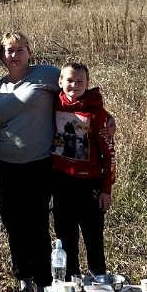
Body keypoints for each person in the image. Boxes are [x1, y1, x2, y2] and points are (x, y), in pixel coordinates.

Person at [0, 32, 61, 292]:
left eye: (20, 49)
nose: (15, 55)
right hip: (5, 164)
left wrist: (103, 117)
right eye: (9, 50)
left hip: (39, 164)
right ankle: (24, 283)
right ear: (2, 56)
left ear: (29, 52)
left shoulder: (46, 74)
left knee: (37, 224)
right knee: (13, 224)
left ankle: (44, 285)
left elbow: (77, 92)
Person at [50, 62, 116, 278]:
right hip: (61, 182)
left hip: (90, 185)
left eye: (80, 82)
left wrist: (106, 189)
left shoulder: (97, 114)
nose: (74, 86)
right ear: (60, 82)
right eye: (69, 81)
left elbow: (109, 155)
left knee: (93, 237)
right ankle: (71, 283)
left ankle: (100, 282)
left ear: (88, 84)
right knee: (65, 238)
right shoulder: (53, 104)